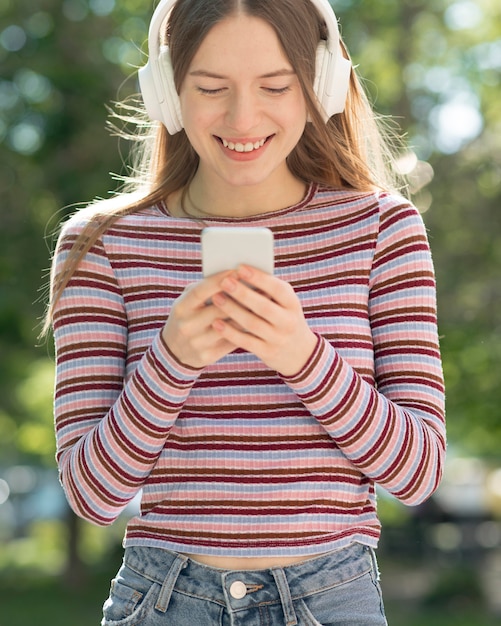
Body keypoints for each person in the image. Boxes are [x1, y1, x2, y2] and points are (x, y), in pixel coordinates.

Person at [45, 0, 446, 624]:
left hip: (332, 599)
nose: (242, 116)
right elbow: (92, 494)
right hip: (162, 600)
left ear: (319, 85)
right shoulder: (102, 246)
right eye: (210, 88)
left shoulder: (382, 230)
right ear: (168, 93)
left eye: (275, 86)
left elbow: (418, 472)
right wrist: (171, 361)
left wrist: (303, 357)